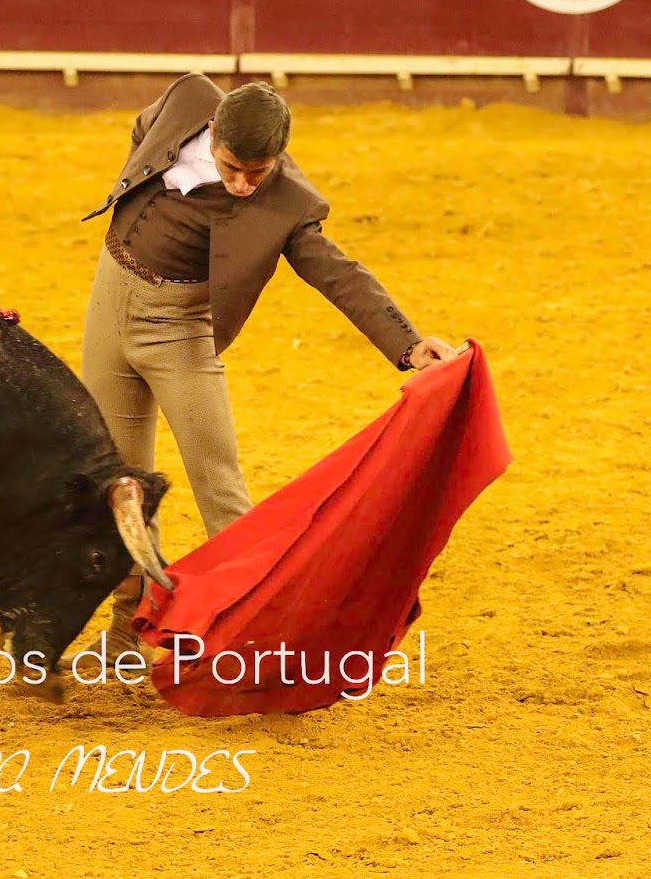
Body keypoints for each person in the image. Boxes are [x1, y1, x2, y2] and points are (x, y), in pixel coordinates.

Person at [77, 75, 458, 667]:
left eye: (257, 173)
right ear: (212, 132)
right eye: (232, 168)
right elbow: (142, 130)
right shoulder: (186, 100)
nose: (243, 185)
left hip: (180, 332)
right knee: (118, 483)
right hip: (107, 309)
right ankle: (128, 629)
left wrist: (408, 346)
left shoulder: (287, 204)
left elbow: (339, 274)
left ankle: (257, 640)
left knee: (219, 483)